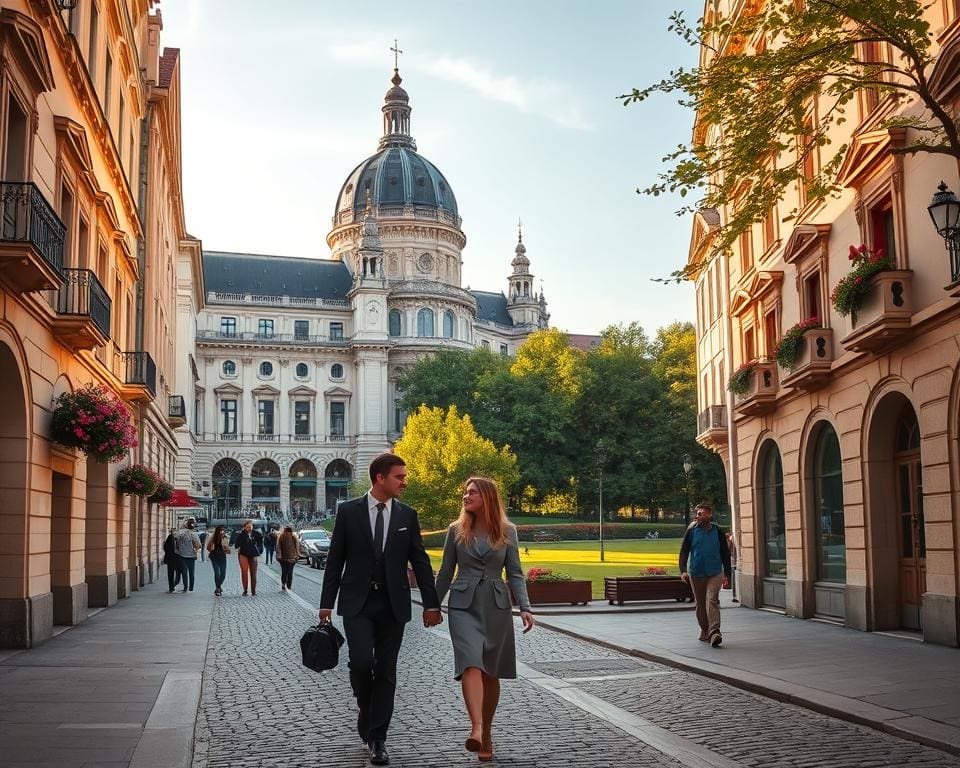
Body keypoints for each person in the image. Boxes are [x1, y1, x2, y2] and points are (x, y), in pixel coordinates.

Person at [319, 453, 442, 767]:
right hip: (357, 602)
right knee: (360, 662)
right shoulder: (348, 512)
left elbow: (420, 561)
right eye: (399, 476)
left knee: (386, 669)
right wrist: (325, 604)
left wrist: (431, 603)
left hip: (393, 605)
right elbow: (335, 560)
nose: (404, 481)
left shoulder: (407, 515)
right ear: (380, 478)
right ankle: (366, 707)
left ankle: (378, 738)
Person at [434, 477, 534, 763]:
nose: (466, 497)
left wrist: (525, 606)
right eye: (465, 493)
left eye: (472, 493)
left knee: (490, 671)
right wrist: (432, 605)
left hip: (496, 605)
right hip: (462, 605)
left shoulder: (507, 531)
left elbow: (515, 572)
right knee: (470, 662)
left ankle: (487, 732)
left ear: (487, 497)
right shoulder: (455, 530)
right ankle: (475, 727)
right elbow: (445, 572)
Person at [679, 503, 732, 647]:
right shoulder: (691, 531)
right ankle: (704, 629)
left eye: (701, 513)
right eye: (697, 513)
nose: (698, 516)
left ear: (709, 515)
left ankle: (715, 632)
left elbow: (725, 554)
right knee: (700, 604)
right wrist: (683, 570)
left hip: (715, 572)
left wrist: (728, 574)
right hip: (696, 573)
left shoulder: (718, 531)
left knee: (712, 599)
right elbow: (684, 550)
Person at [233, 520, 263, 596]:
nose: (249, 528)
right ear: (244, 527)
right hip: (243, 554)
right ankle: (245, 590)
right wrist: (239, 547)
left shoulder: (257, 534)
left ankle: (253, 591)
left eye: (250, 527)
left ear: (252, 526)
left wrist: (258, 550)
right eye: (247, 527)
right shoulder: (241, 535)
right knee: (244, 572)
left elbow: (260, 544)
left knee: (253, 573)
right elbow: (236, 544)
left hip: (253, 554)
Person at [175, 519, 201, 592]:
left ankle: (185, 587)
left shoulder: (180, 533)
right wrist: (195, 550)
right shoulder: (194, 534)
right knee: (191, 572)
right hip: (191, 556)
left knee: (184, 572)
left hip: (182, 555)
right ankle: (191, 587)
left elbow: (176, 539)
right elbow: (198, 545)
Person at [206, 524, 230, 596]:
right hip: (215, 556)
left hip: (222, 556)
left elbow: (227, 547)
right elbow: (208, 547)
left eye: (223, 530)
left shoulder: (225, 537)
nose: (222, 531)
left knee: (223, 573)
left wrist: (227, 549)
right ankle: (218, 588)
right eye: (221, 530)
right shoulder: (213, 537)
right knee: (217, 572)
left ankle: (218, 586)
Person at [276, 526, 300, 592]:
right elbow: (297, 546)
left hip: (283, 558)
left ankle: (284, 584)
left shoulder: (281, 536)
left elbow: (278, 547)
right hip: (291, 558)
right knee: (289, 572)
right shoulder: (293, 536)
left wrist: (279, 555)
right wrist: (297, 555)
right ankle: (288, 586)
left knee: (284, 572)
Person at [162, 528, 181, 593]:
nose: (176, 533)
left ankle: (173, 586)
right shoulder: (170, 537)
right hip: (171, 558)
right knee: (171, 573)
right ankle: (171, 587)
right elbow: (165, 547)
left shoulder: (177, 539)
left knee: (175, 573)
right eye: (175, 532)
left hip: (174, 558)